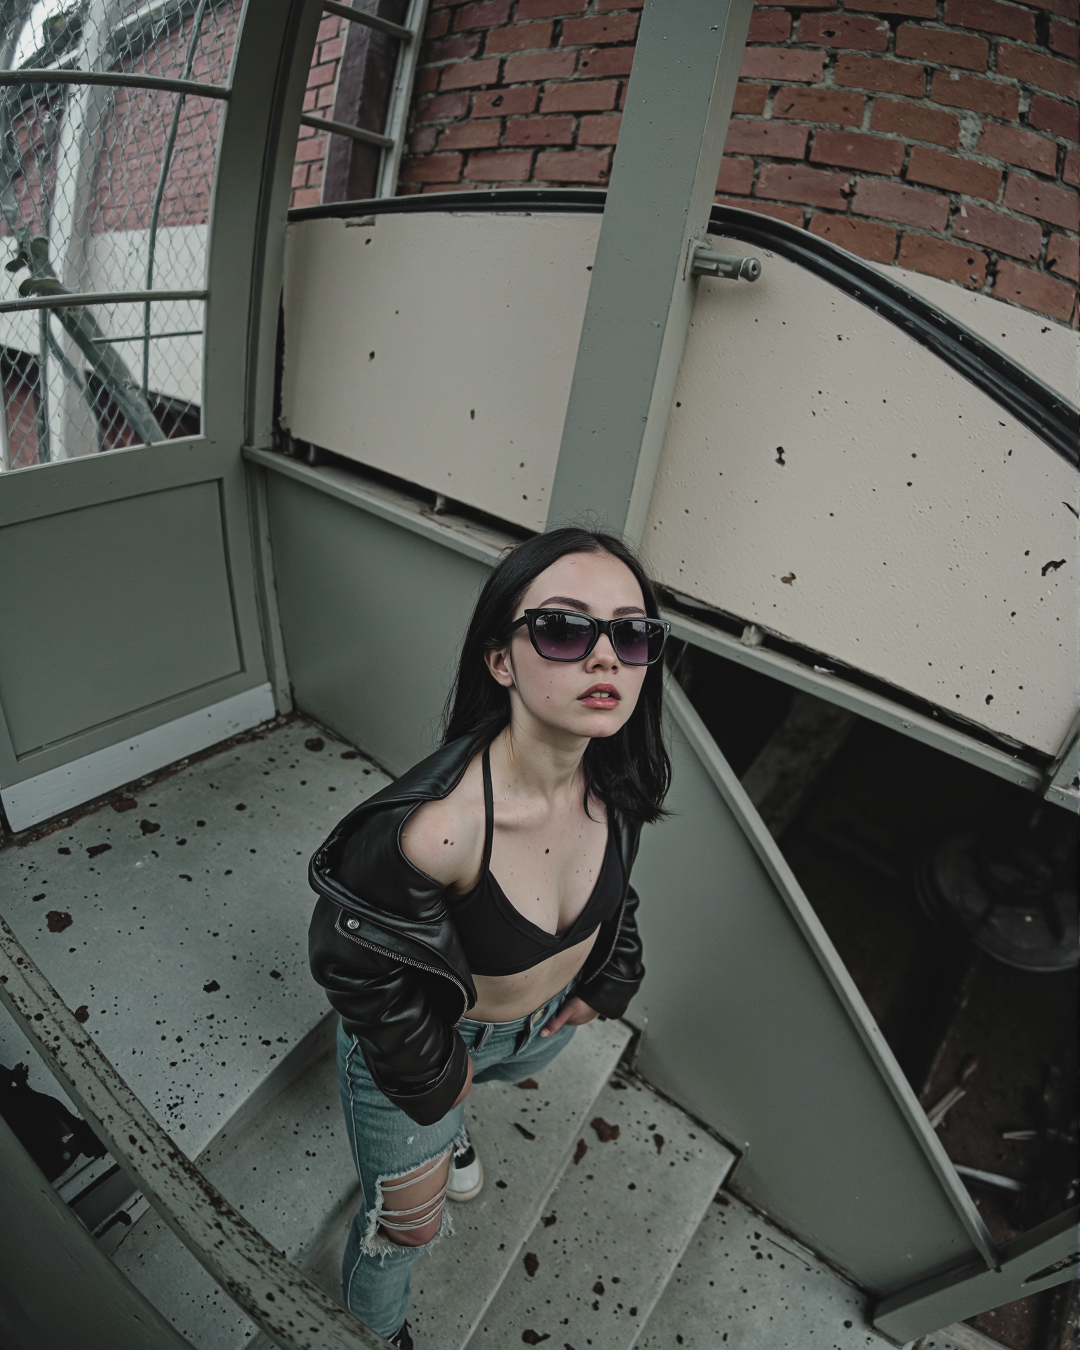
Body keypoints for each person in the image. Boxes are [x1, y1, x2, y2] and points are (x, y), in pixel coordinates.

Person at [307, 527, 671, 1347]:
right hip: (425, 1046)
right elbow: (354, 964)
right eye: (565, 629)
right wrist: (439, 1078)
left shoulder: (613, 778)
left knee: (489, 1086)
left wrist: (606, 985)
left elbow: (619, 896)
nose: (606, 657)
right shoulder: (437, 830)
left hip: (537, 1030)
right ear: (500, 659)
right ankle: (377, 1334)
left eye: (633, 633)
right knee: (407, 1229)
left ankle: (460, 1122)